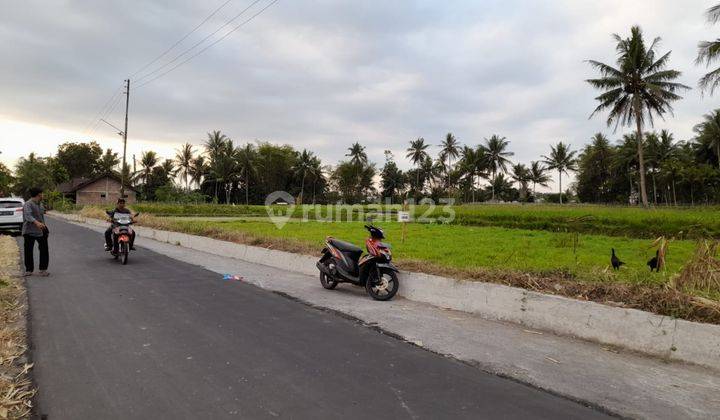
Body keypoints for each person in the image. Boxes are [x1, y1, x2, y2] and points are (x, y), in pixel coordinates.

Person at [22, 187, 49, 276]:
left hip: (41, 230)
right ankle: (29, 270)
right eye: (43, 193)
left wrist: (44, 226)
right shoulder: (28, 204)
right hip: (29, 231)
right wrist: (36, 222)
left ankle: (43, 269)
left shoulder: (40, 204)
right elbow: (28, 216)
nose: (43, 195)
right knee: (28, 251)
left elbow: (41, 216)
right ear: (39, 194)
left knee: (44, 250)